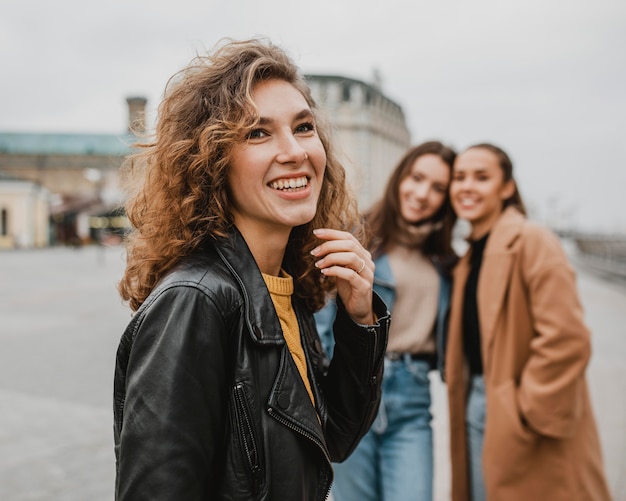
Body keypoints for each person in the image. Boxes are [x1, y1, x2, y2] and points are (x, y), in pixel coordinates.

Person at [112, 38, 390, 501]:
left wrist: (360, 320)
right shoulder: (195, 300)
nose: (295, 151)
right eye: (258, 133)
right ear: (210, 161)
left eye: (303, 128)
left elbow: (334, 440)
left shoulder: (284, 287)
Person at [445, 143, 611, 501]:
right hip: (477, 399)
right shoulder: (470, 256)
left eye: (482, 177)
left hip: (517, 407)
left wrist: (527, 409)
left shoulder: (532, 241)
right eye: (459, 177)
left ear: (506, 188)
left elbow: (567, 338)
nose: (467, 186)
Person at [316, 141, 457, 501]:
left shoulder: (447, 263)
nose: (423, 193)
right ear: (400, 177)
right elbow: (322, 320)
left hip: (412, 398)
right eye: (417, 178)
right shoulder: (356, 238)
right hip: (353, 390)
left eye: (438, 187)